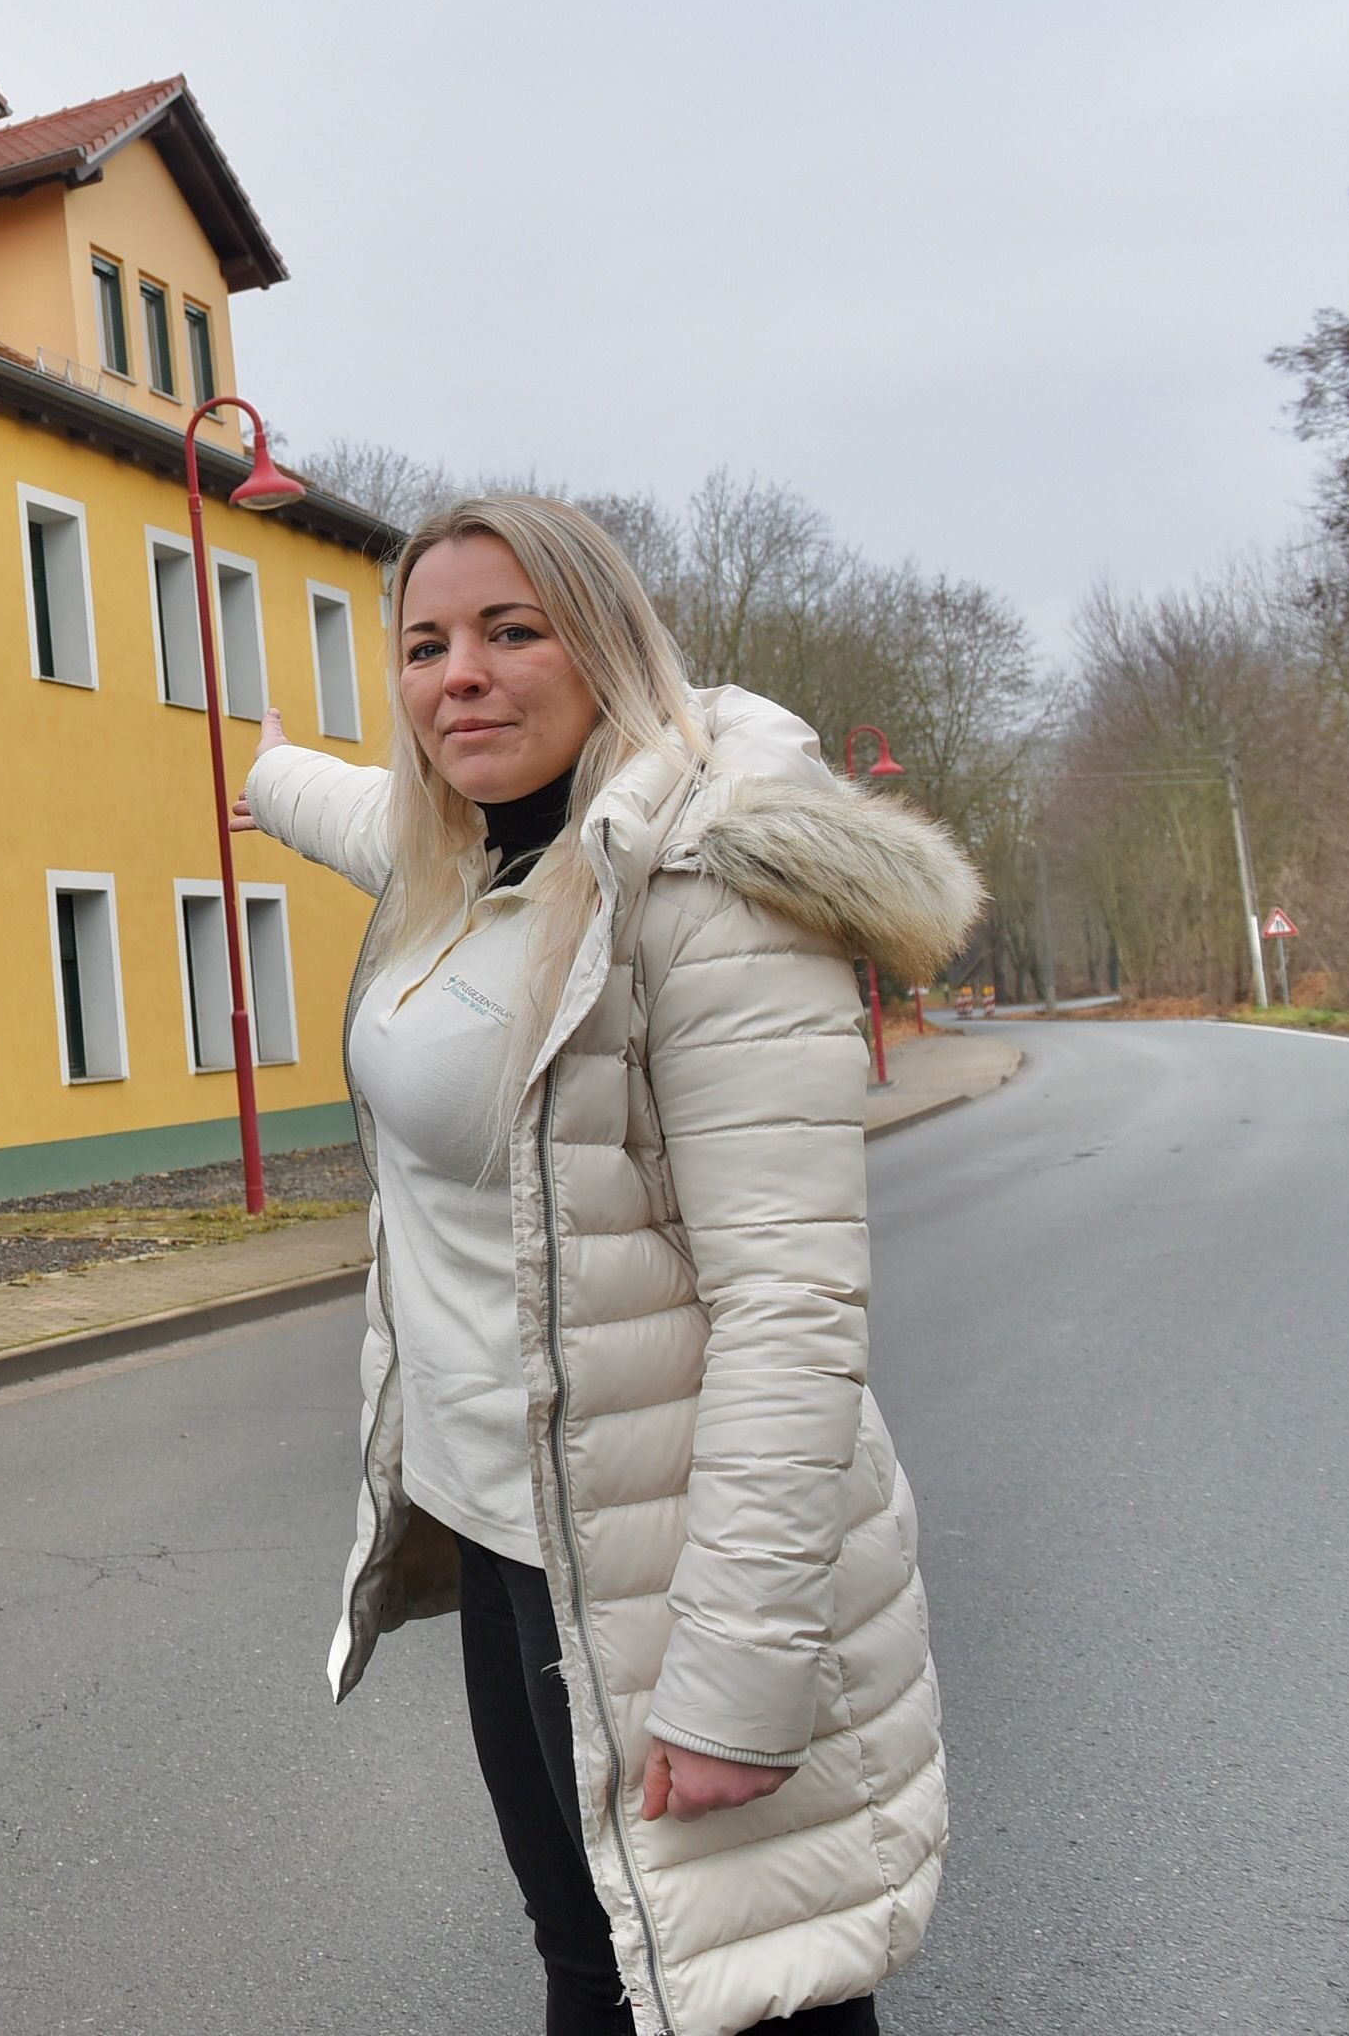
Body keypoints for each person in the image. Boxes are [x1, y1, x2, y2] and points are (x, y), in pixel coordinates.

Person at [233, 495, 970, 2036]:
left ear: (608, 649)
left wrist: (737, 1679)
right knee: (592, 1960)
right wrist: (269, 772)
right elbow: (369, 810)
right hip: (509, 1532)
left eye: (512, 631)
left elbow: (790, 1308)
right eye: (426, 646)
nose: (461, 676)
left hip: (666, 1559)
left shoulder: (700, 887)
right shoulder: (460, 856)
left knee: (748, 1995)